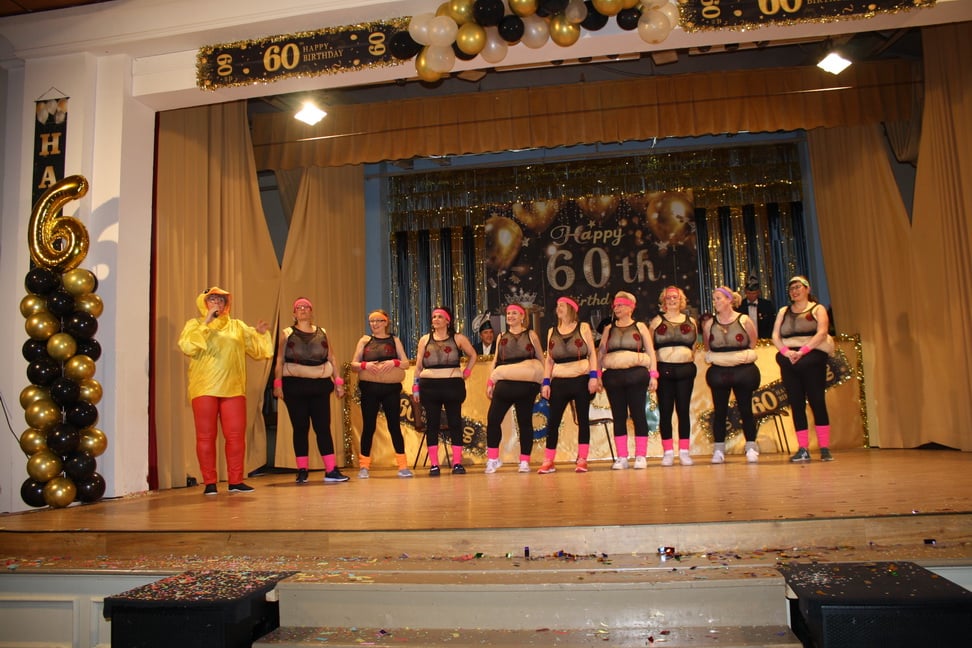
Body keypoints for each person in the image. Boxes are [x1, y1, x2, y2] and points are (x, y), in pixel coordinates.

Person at [178, 286, 272, 495]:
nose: (217, 303)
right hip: (204, 388)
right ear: (204, 303)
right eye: (213, 299)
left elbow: (258, 351)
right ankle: (210, 483)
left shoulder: (237, 326)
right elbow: (188, 347)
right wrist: (207, 322)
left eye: (221, 300)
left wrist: (260, 335)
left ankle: (235, 481)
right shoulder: (194, 324)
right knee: (205, 437)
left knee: (236, 436)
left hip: (233, 388)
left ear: (226, 304)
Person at [271, 297, 349, 484]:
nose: (303, 309)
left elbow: (332, 358)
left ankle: (331, 470)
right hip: (295, 386)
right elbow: (280, 360)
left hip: (319, 386)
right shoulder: (287, 333)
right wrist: (278, 384)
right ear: (294, 313)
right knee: (300, 428)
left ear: (311, 311)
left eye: (306, 307)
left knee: (323, 428)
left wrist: (338, 382)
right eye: (299, 307)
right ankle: (302, 470)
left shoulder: (322, 332)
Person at [772, 275, 834, 463]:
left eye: (798, 287)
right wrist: (786, 352)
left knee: (817, 401)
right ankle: (803, 448)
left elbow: (822, 332)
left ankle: (824, 447)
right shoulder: (784, 311)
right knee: (796, 403)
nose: (795, 291)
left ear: (807, 289)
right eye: (792, 288)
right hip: (790, 359)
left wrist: (803, 351)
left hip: (812, 357)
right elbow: (775, 335)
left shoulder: (817, 309)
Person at [412, 306, 478, 476]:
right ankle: (434, 464)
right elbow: (418, 366)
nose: (436, 319)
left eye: (440, 317)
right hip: (429, 387)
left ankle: (457, 463)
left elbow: (473, 355)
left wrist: (467, 371)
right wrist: (415, 387)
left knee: (455, 423)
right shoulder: (425, 339)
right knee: (432, 424)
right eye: (434, 316)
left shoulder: (458, 338)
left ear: (448, 321)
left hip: (452, 386)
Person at [597, 291, 658, 470]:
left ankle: (641, 455)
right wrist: (597, 375)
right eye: (615, 305)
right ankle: (622, 457)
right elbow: (601, 352)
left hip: (636, 376)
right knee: (619, 416)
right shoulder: (609, 329)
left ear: (630, 308)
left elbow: (650, 351)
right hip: (614, 378)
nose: (616, 308)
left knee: (638, 414)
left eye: (620, 305)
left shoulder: (640, 327)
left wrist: (653, 375)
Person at [540, 297, 600, 473]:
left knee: (583, 419)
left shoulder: (583, 327)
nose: (558, 308)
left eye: (562, 306)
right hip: (559, 381)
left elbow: (592, 354)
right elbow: (549, 360)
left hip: (581, 378)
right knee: (553, 421)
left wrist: (594, 377)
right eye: (557, 306)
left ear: (571, 309)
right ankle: (548, 460)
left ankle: (582, 459)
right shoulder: (551, 331)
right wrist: (546, 382)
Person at [483, 303, 545, 474]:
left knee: (524, 422)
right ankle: (493, 459)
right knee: (493, 419)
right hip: (505, 384)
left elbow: (541, 358)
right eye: (509, 313)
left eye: (514, 313)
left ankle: (524, 461)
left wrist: (545, 382)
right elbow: (495, 361)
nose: (510, 316)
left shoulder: (531, 335)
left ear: (522, 316)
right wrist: (490, 382)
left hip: (526, 385)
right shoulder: (501, 336)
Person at [351, 309, 412, 479]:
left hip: (390, 390)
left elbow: (406, 363)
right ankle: (364, 467)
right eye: (372, 321)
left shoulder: (394, 340)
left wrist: (395, 362)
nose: (375, 324)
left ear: (386, 322)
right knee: (369, 427)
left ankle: (403, 466)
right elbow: (354, 364)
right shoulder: (364, 340)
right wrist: (365, 365)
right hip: (369, 389)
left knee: (394, 426)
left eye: (378, 321)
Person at [702, 287, 761, 464]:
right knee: (720, 411)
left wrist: (737, 358)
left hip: (742, 371)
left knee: (745, 409)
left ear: (729, 300)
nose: (715, 302)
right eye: (714, 299)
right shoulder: (709, 324)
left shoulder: (744, 320)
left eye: (719, 298)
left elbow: (752, 342)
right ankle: (719, 449)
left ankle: (751, 446)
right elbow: (708, 347)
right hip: (720, 372)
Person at [649, 286, 698, 467]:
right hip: (664, 370)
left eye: (675, 297)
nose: (672, 300)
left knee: (683, 410)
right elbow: (650, 348)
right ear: (663, 301)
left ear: (681, 300)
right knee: (666, 411)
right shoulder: (656, 322)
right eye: (668, 298)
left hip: (685, 370)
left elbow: (694, 346)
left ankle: (684, 451)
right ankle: (668, 452)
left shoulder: (691, 321)